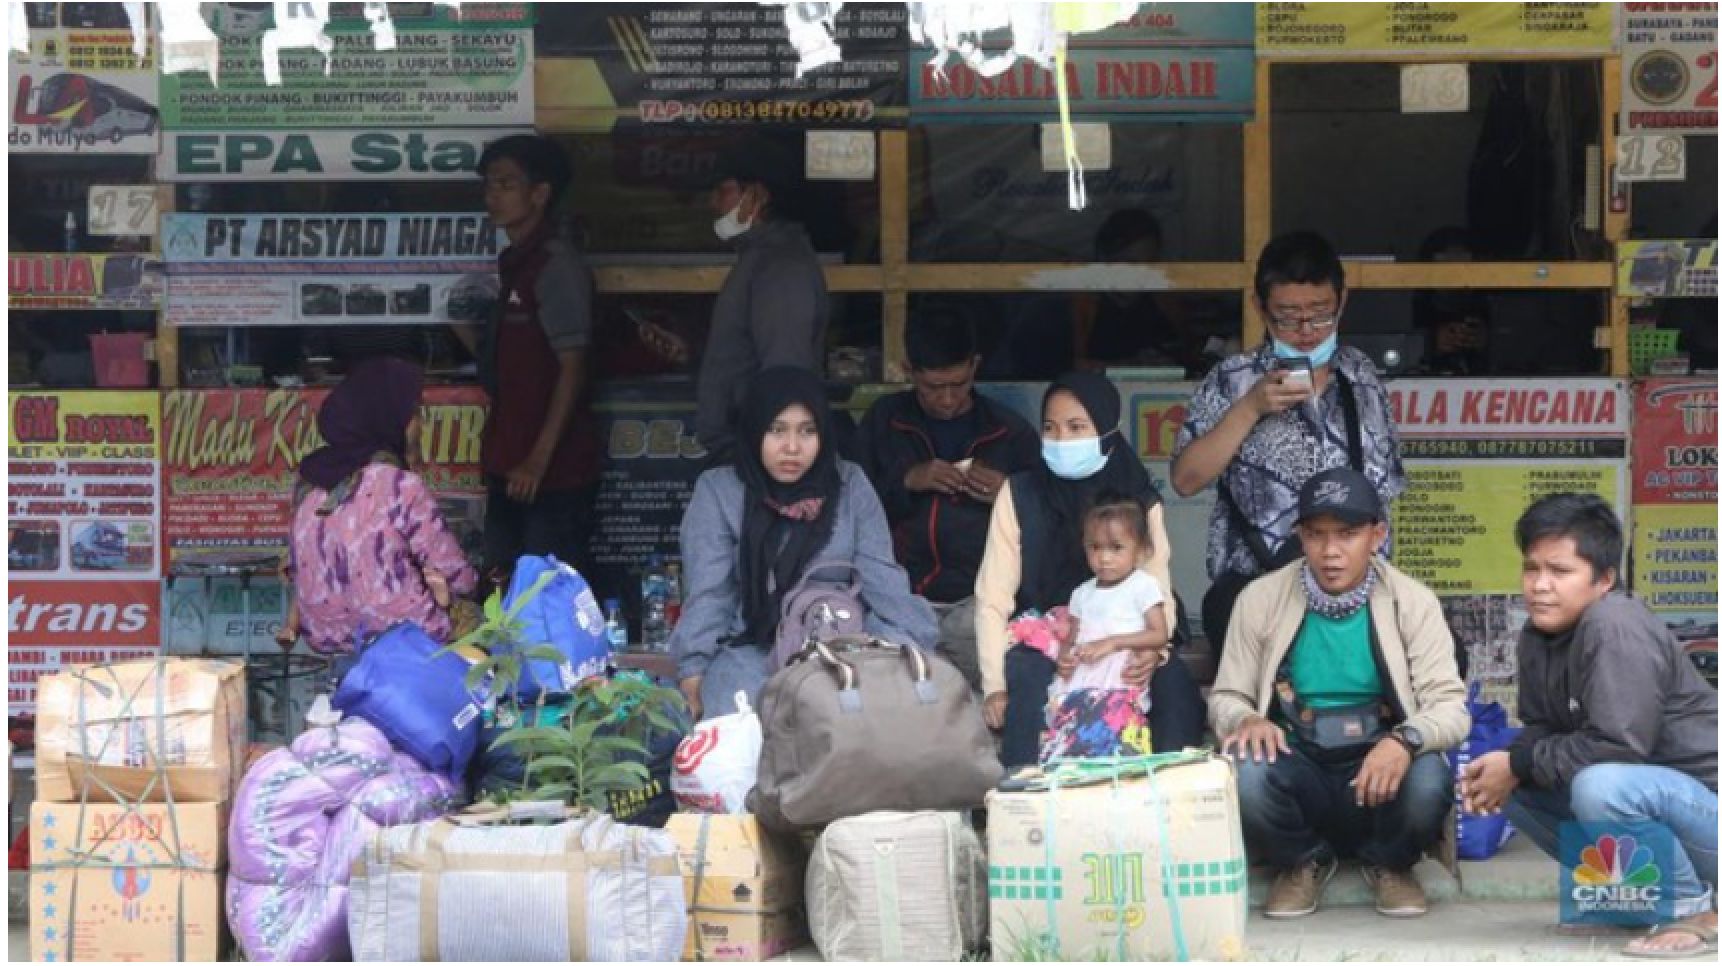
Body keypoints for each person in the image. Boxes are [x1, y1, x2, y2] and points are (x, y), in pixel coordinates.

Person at [1461, 494, 1717, 959]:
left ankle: (1692, 908)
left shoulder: (1614, 621)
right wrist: (1507, 766)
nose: (1540, 586)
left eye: (1559, 572)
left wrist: (1519, 760)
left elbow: (1619, 746)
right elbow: (1539, 728)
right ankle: (1627, 899)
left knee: (1602, 785)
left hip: (1707, 811)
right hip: (1664, 813)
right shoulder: (1539, 633)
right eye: (1531, 568)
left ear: (1604, 580)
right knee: (1507, 781)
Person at [1211, 467, 1468, 921]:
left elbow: (1450, 709)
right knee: (1243, 770)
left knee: (1429, 779)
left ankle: (1390, 863)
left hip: (1380, 766)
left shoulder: (1413, 601)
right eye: (1316, 535)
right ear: (1300, 535)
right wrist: (1246, 720)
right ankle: (1301, 861)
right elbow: (1226, 696)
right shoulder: (1260, 598)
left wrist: (1404, 741)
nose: (1330, 552)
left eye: (1347, 534)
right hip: (1298, 761)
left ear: (1376, 535)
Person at [1171, 231, 1406, 657]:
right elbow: (1186, 480)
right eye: (1287, 316)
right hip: (1258, 582)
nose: (1306, 331)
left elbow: (1383, 491)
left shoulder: (1361, 377)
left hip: (1354, 584)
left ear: (1342, 301)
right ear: (1260, 309)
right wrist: (1249, 408)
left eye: (1320, 315)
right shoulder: (1232, 379)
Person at [669, 366, 938, 720]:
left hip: (844, 640)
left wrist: (915, 644)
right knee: (737, 733)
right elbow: (711, 592)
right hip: (755, 648)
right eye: (777, 431)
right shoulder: (720, 491)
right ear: (753, 430)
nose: (792, 448)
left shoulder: (850, 483)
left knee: (885, 713)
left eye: (807, 431)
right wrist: (693, 666)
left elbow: (882, 578)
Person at [975, 372, 1207, 767]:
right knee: (1029, 681)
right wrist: (994, 687)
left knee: (1172, 686)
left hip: (1130, 629)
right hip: (1048, 635)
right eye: (1050, 428)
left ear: (1106, 431)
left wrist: (1157, 650)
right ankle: (1026, 799)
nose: (1062, 440)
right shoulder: (1019, 493)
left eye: (1077, 427)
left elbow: (1158, 584)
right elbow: (992, 598)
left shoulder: (1137, 496)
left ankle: (1169, 797)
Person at [852, 309, 1039, 689]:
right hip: (897, 597)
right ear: (909, 370)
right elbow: (848, 507)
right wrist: (907, 480)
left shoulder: (1009, 432)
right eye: (934, 387)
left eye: (959, 383)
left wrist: (1008, 496)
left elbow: (1049, 521)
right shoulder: (884, 422)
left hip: (981, 598)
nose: (949, 399)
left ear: (975, 366)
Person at [452, 134, 598, 580]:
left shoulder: (556, 265)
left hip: (550, 473)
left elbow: (573, 363)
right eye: (489, 185)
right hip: (507, 460)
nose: (492, 195)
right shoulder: (515, 261)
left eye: (505, 184)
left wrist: (538, 459)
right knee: (502, 588)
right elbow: (515, 361)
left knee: (546, 596)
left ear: (540, 193)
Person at [281, 357, 478, 656]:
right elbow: (457, 576)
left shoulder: (308, 482)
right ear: (389, 416)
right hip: (404, 638)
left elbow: (296, 568)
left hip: (327, 639)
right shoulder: (399, 485)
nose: (420, 426)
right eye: (415, 414)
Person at [695, 149, 830, 462]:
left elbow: (785, 372)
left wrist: (776, 454)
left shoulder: (781, 266)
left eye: (722, 191)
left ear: (757, 195)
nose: (713, 203)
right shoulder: (760, 259)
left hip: (757, 454)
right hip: (746, 447)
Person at [1037, 494, 1169, 762]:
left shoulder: (1143, 586)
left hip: (1119, 680)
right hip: (1082, 681)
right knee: (1074, 739)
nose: (1104, 558)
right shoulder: (1081, 594)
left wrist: (1112, 643)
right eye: (1095, 548)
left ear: (1141, 550)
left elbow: (1159, 634)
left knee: (1115, 744)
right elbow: (1071, 639)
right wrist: (1064, 660)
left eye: (1116, 548)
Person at [1073, 209, 1201, 373]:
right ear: (1105, 258)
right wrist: (1129, 366)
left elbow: (1191, 353)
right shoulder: (1085, 303)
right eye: (1130, 263)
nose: (1140, 273)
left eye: (1149, 263)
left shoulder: (1163, 300)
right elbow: (1072, 366)